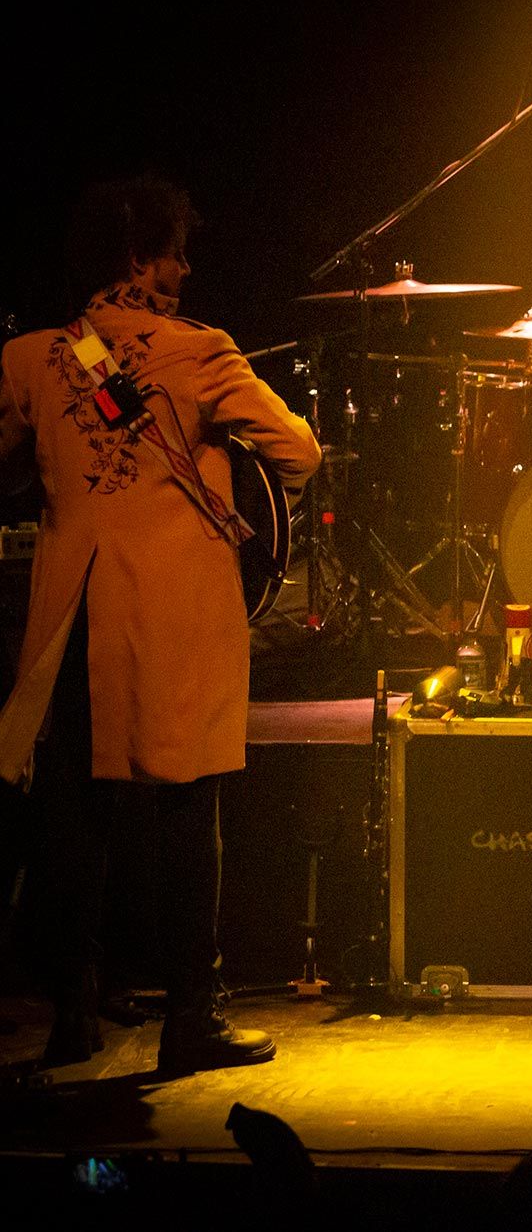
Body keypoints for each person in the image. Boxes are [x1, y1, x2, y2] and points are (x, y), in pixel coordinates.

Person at [0, 176, 321, 1073]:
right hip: (173, 614)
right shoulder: (200, 350)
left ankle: (72, 1012)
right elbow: (299, 450)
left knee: (76, 817)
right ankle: (191, 1018)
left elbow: (6, 473)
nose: (185, 266)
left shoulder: (34, 357)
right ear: (143, 257)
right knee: (187, 811)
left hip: (73, 617)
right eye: (176, 250)